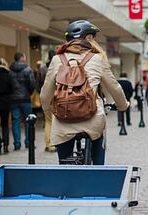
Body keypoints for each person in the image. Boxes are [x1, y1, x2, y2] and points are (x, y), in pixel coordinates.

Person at [40, 20, 129, 165]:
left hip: (63, 120)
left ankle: (66, 176)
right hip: (92, 119)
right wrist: (123, 105)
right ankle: (98, 171)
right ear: (88, 38)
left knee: (64, 162)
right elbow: (115, 87)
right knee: (98, 144)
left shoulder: (57, 59)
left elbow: (45, 94)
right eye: (93, 37)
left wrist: (48, 113)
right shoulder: (97, 59)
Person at [9, 51, 36, 151]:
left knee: (15, 121)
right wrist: (29, 93)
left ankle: (17, 143)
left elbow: (9, 85)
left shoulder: (9, 70)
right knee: (28, 121)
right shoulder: (27, 69)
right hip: (25, 99)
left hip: (14, 99)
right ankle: (29, 142)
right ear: (21, 58)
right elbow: (32, 84)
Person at [37, 50, 57, 152]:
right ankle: (56, 143)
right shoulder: (59, 66)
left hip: (46, 96)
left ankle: (49, 144)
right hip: (58, 97)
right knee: (58, 121)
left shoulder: (42, 69)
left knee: (48, 121)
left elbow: (38, 84)